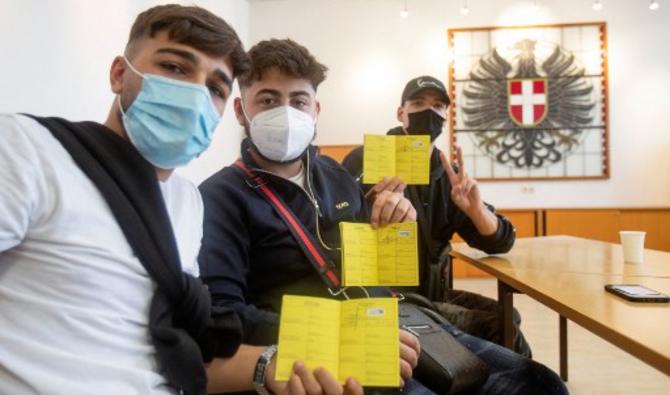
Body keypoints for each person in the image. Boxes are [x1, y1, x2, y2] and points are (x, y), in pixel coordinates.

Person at [0, 5, 360, 395]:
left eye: (216, 88)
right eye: (174, 68)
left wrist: (271, 365)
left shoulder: (185, 202)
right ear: (120, 74)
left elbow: (170, 350)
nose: (194, 94)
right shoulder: (28, 150)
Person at [199, 41, 568, 394]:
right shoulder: (221, 196)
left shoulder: (334, 174)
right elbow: (225, 315)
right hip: (325, 349)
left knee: (541, 384)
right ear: (240, 110)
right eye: (268, 100)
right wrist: (341, 336)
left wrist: (394, 228)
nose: (286, 113)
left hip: (392, 322)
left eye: (298, 101)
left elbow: (373, 267)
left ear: (316, 110)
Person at [342, 76, 531, 357]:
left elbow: (500, 242)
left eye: (438, 105)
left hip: (434, 293)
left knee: (508, 315)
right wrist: (367, 206)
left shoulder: (449, 175)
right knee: (498, 326)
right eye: (418, 103)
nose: (429, 112)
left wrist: (475, 210)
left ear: (445, 116)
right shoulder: (367, 159)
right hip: (390, 297)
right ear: (400, 112)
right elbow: (334, 224)